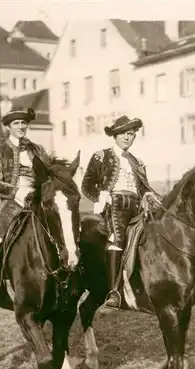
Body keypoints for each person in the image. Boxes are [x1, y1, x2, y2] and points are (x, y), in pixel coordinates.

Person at [81, 115, 160, 309]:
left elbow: (142, 188)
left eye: (131, 134)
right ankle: (114, 291)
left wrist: (149, 194)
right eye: (124, 133)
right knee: (118, 238)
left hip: (136, 206)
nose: (127, 137)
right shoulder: (102, 156)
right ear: (115, 135)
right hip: (113, 205)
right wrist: (101, 196)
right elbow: (87, 184)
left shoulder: (137, 161)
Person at [0, 106, 52, 299]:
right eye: (16, 123)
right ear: (9, 127)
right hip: (13, 202)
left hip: (39, 200)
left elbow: (47, 175)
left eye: (23, 123)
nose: (21, 126)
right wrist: (17, 192)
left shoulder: (38, 149)